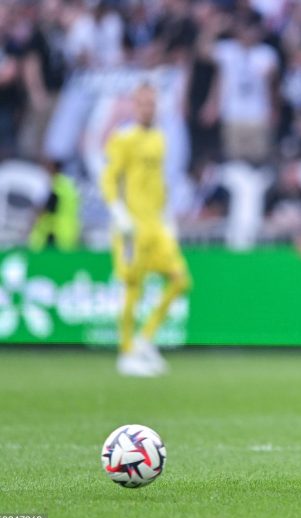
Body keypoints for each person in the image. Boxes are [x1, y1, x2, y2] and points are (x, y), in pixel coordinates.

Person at [100, 84, 191, 377]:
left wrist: (168, 219)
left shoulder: (159, 138)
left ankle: (145, 339)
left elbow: (158, 183)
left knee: (181, 280)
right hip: (131, 228)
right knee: (132, 288)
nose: (147, 108)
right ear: (134, 105)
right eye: (142, 103)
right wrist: (119, 213)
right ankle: (126, 353)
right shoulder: (123, 138)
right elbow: (110, 179)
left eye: (152, 103)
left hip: (157, 225)